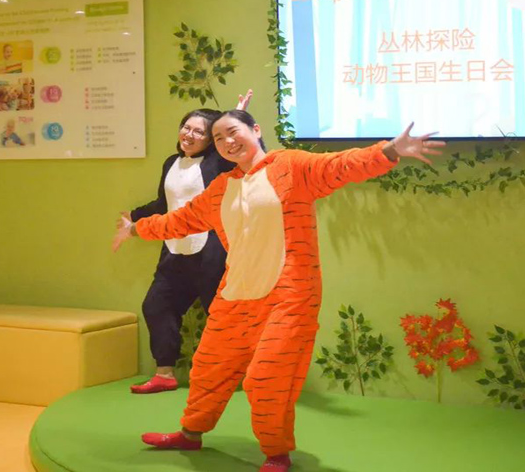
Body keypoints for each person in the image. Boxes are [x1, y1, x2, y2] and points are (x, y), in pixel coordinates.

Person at [112, 111, 443, 472]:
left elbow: (340, 165)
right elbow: (182, 220)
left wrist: (390, 150)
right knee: (208, 369)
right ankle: (190, 433)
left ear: (255, 130)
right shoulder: (222, 188)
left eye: (233, 132)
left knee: (266, 378)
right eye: (219, 138)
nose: (227, 142)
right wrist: (135, 229)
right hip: (235, 294)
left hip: (289, 296)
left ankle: (276, 452)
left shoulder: (291, 167)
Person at [119, 92, 252, 394]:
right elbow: (164, 204)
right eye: (186, 128)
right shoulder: (171, 163)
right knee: (156, 305)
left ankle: (234, 376)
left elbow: (235, 149)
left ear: (210, 140)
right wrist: (134, 217)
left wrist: (236, 115)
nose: (189, 135)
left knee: (220, 315)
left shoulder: (218, 163)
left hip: (211, 253)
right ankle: (164, 374)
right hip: (174, 252)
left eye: (199, 132)